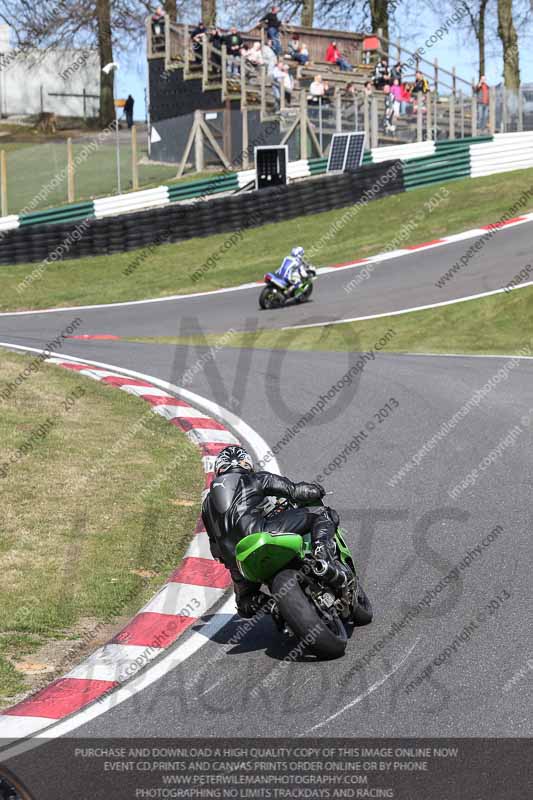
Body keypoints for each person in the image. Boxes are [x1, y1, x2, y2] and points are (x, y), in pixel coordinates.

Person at [202, 445, 337, 618]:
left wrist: (232, 563)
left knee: (245, 603)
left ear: (218, 470)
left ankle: (273, 607)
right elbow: (296, 491)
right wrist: (317, 490)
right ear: (247, 465)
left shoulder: (206, 504)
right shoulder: (255, 478)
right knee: (321, 514)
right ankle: (321, 552)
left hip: (237, 560)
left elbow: (215, 548)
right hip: (262, 534)